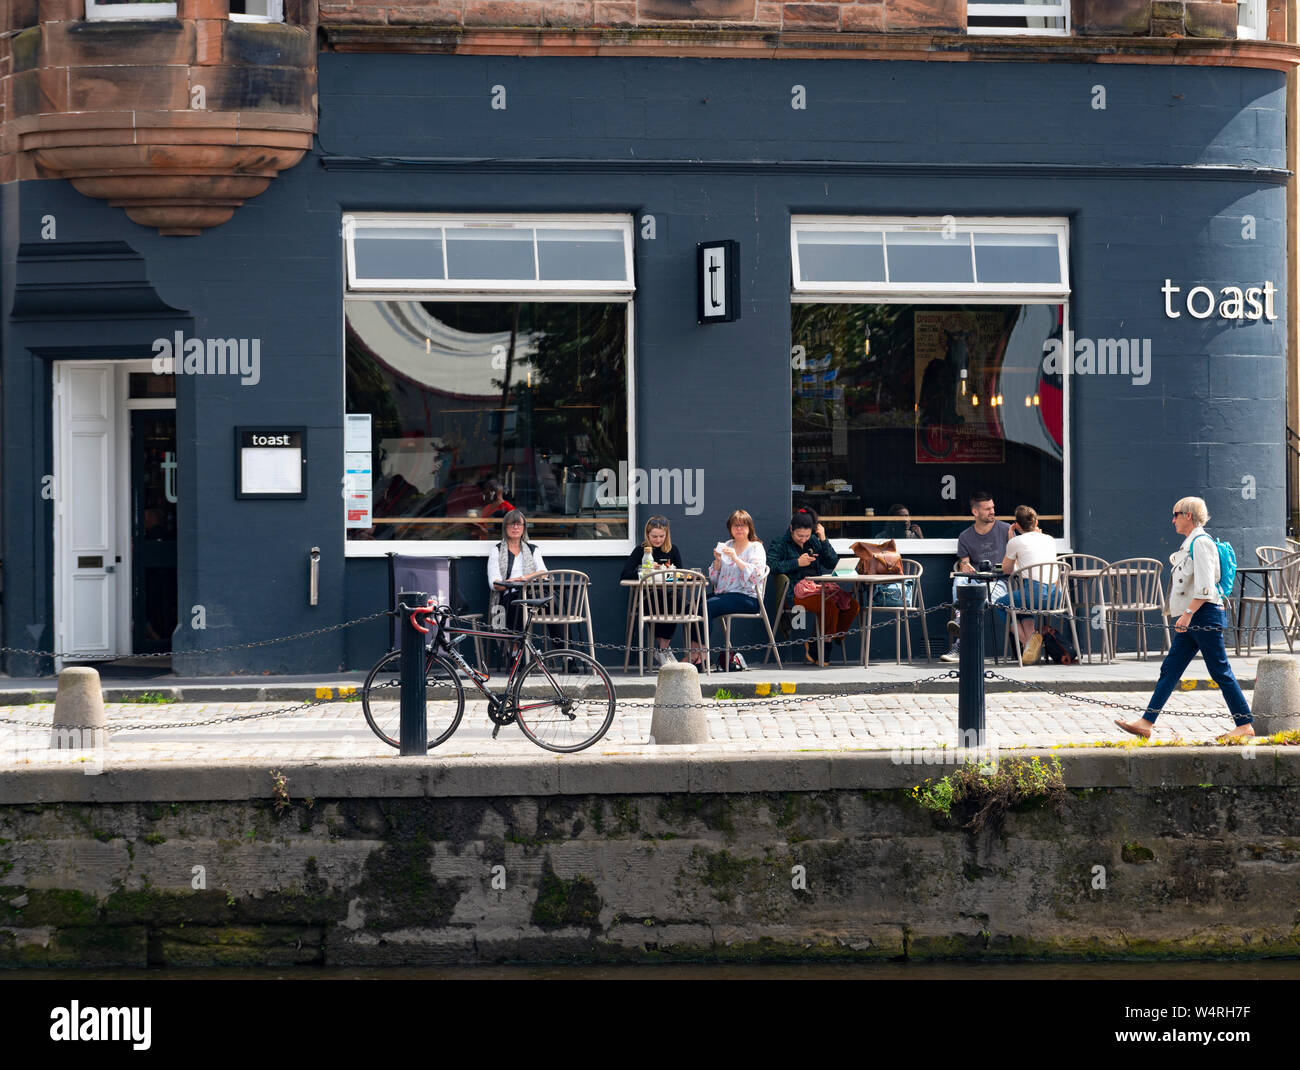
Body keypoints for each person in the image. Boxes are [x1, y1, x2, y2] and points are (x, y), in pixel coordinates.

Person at [1116, 497, 1253, 742]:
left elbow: (1205, 587)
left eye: (1176, 514)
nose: (1173, 520)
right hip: (1194, 615)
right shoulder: (1191, 544)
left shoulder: (1200, 543)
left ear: (1188, 515)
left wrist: (1188, 614)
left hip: (1203, 614)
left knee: (1220, 670)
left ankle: (1244, 724)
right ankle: (1147, 722)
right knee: (1170, 670)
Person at [769, 508, 859, 664]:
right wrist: (797, 562)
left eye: (807, 535)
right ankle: (823, 647)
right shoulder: (781, 543)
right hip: (795, 593)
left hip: (819, 588)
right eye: (799, 536)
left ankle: (817, 641)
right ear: (791, 529)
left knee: (852, 605)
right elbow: (771, 566)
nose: (803, 539)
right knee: (829, 607)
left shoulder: (814, 542)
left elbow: (831, 562)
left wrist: (823, 539)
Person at [941, 491, 1012, 663]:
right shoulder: (965, 537)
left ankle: (959, 640)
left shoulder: (1006, 530)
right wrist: (965, 567)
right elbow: (964, 564)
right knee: (959, 579)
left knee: (976, 597)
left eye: (993, 508)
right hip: (975, 581)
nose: (992, 512)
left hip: (999, 582)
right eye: (987, 509)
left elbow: (1015, 560)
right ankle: (959, 618)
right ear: (975, 512)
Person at [691, 509, 766, 670]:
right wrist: (717, 562)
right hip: (725, 594)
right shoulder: (727, 545)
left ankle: (703, 657)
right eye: (735, 525)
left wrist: (735, 558)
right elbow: (715, 580)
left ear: (749, 528)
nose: (739, 529)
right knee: (693, 605)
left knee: (707, 607)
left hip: (748, 597)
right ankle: (693, 654)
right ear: (730, 528)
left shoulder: (755, 548)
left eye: (743, 525)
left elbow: (755, 576)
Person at [995, 505, 1059, 665]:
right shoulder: (1049, 539)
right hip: (1056, 596)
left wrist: (1011, 539)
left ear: (1016, 525)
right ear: (1036, 522)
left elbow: (1007, 570)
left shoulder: (1015, 541)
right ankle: (1030, 646)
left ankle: (1027, 642)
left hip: (1034, 595)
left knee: (1001, 603)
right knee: (1021, 603)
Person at [620, 515, 684, 667]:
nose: (658, 540)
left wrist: (667, 572)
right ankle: (664, 650)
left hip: (669, 593)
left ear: (666, 535)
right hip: (648, 596)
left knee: (678, 604)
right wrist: (647, 571)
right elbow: (625, 574)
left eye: (662, 536)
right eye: (654, 536)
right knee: (657, 603)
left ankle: (663, 648)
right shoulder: (641, 551)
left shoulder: (673, 550)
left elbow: (680, 575)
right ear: (647, 535)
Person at [486, 510, 548, 636]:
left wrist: (521, 579)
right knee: (518, 603)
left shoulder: (532, 549)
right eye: (511, 524)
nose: (515, 527)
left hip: (533, 594)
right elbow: (495, 583)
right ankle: (514, 651)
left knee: (553, 604)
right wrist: (516, 584)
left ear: (524, 527)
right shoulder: (497, 550)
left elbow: (544, 573)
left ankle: (565, 651)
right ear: (505, 527)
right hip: (509, 596)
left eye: (519, 524)